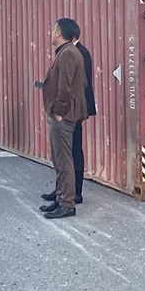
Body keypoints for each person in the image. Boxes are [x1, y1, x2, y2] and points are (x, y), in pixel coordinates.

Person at [41, 21, 96, 204]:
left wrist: (59, 111)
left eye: (53, 29)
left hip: (69, 112)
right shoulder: (70, 51)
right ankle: (62, 193)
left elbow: (71, 86)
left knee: (69, 153)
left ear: (59, 33)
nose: (51, 33)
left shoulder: (74, 53)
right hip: (70, 110)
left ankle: (71, 195)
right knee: (62, 154)